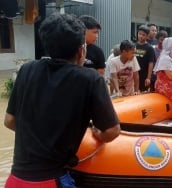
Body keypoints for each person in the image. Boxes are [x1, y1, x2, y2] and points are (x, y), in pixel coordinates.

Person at [4, 13, 120, 187]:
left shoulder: (26, 70)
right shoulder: (90, 79)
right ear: (82, 50)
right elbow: (112, 131)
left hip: (15, 180)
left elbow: (9, 121)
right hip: (52, 180)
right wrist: (97, 133)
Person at [135, 25, 155, 92]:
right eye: (139, 34)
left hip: (144, 75)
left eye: (143, 35)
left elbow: (151, 63)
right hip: (134, 74)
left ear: (147, 36)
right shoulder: (133, 46)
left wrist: (148, 78)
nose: (141, 36)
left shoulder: (150, 48)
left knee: (142, 93)